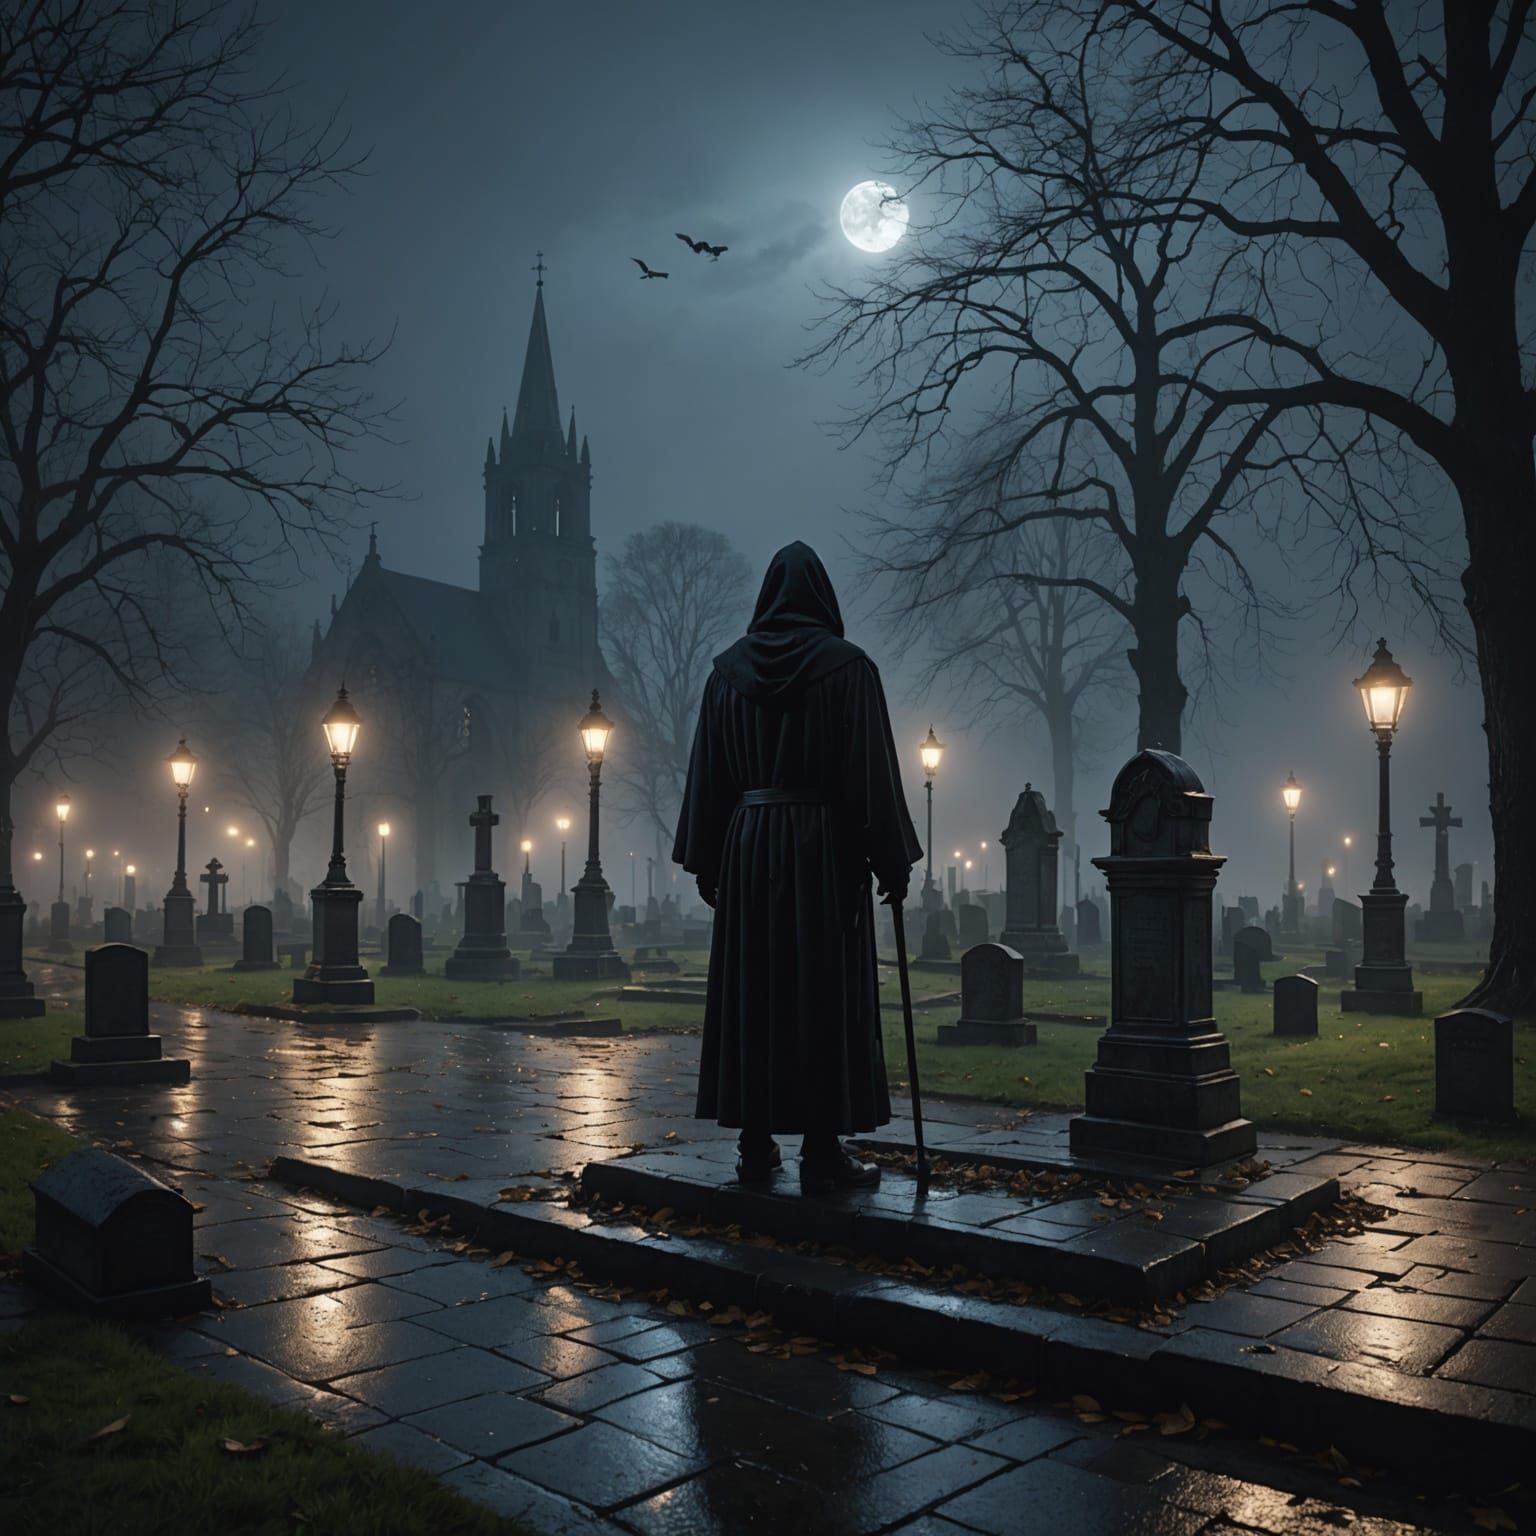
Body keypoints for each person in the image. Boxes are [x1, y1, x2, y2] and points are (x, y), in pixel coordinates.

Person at [673, 542, 922, 1195]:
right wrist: (891, 858)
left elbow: (709, 776)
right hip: (823, 851)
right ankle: (821, 1148)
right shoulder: (849, 669)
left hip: (750, 848)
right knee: (821, 991)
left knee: (756, 991)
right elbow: (869, 773)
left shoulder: (726, 675)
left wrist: (707, 858)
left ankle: (756, 1146)